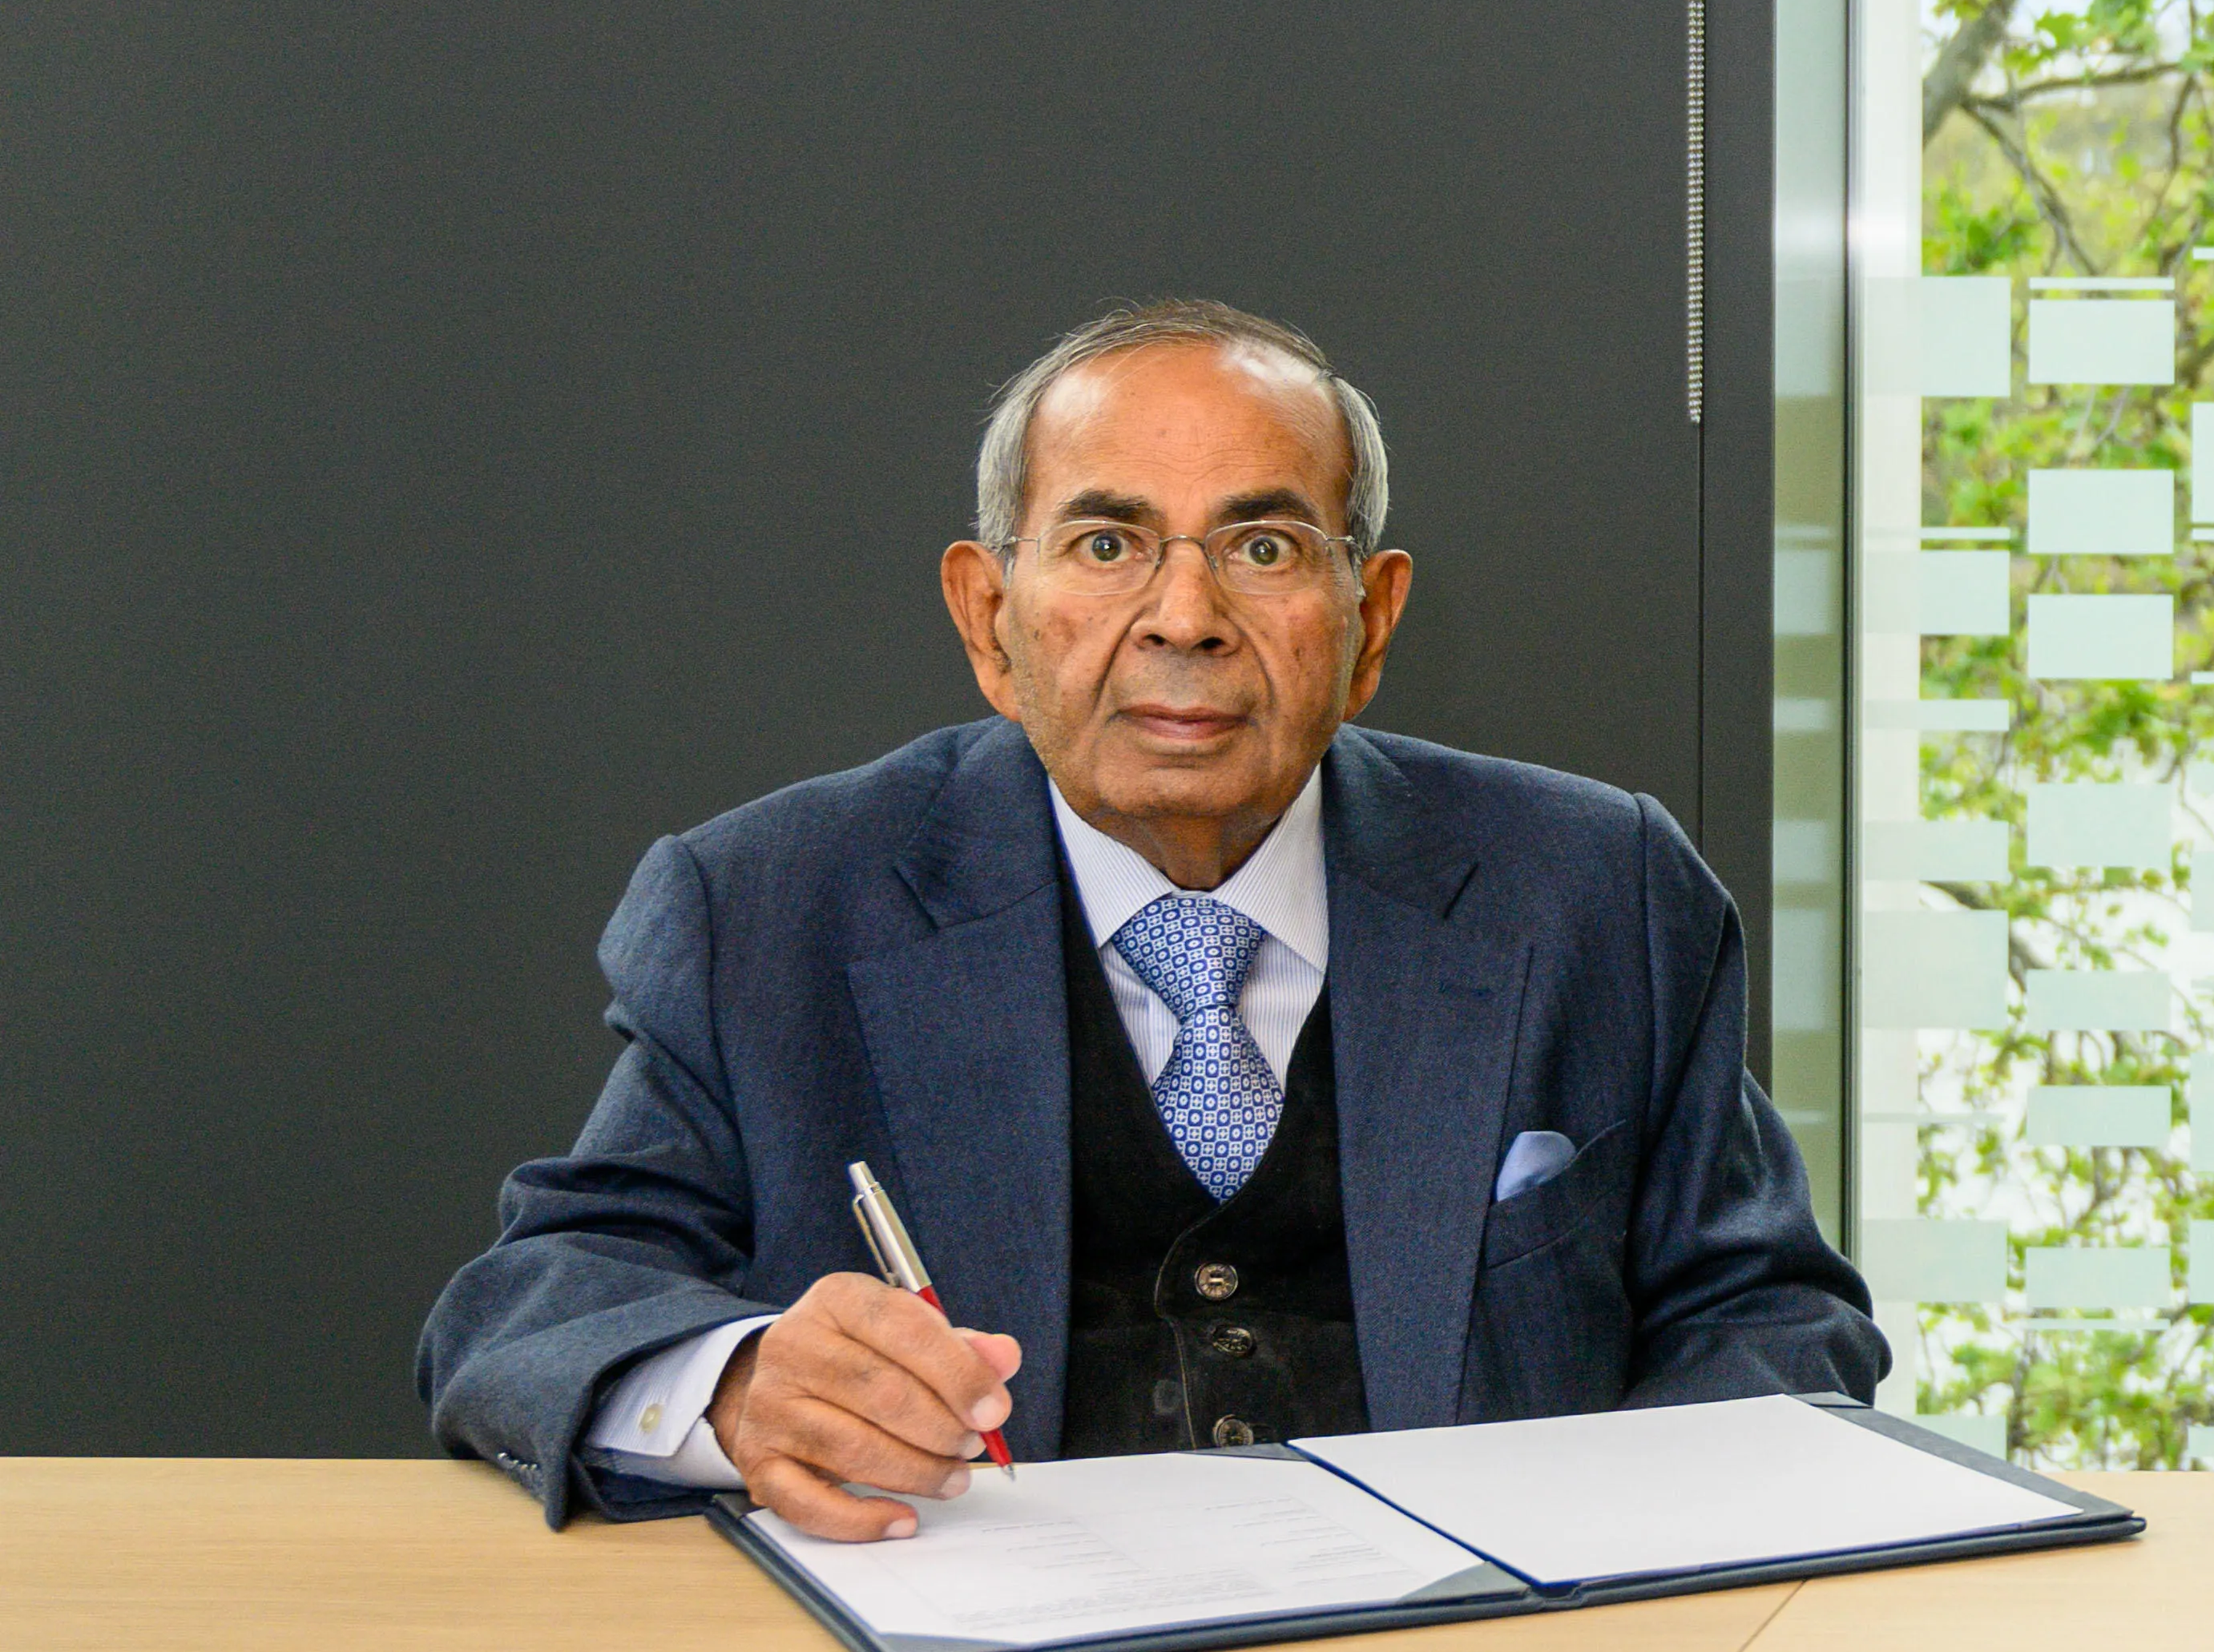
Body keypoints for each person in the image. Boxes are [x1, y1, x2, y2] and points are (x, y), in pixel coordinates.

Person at [421, 300, 1881, 1534]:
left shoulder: (1595, 891)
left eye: (1260, 548)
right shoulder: (769, 909)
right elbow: (529, 1308)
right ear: (989, 622)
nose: (1184, 616)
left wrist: (1611, 1582)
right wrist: (735, 1386)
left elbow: (1771, 1321)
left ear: (1368, 623)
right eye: (1109, 544)